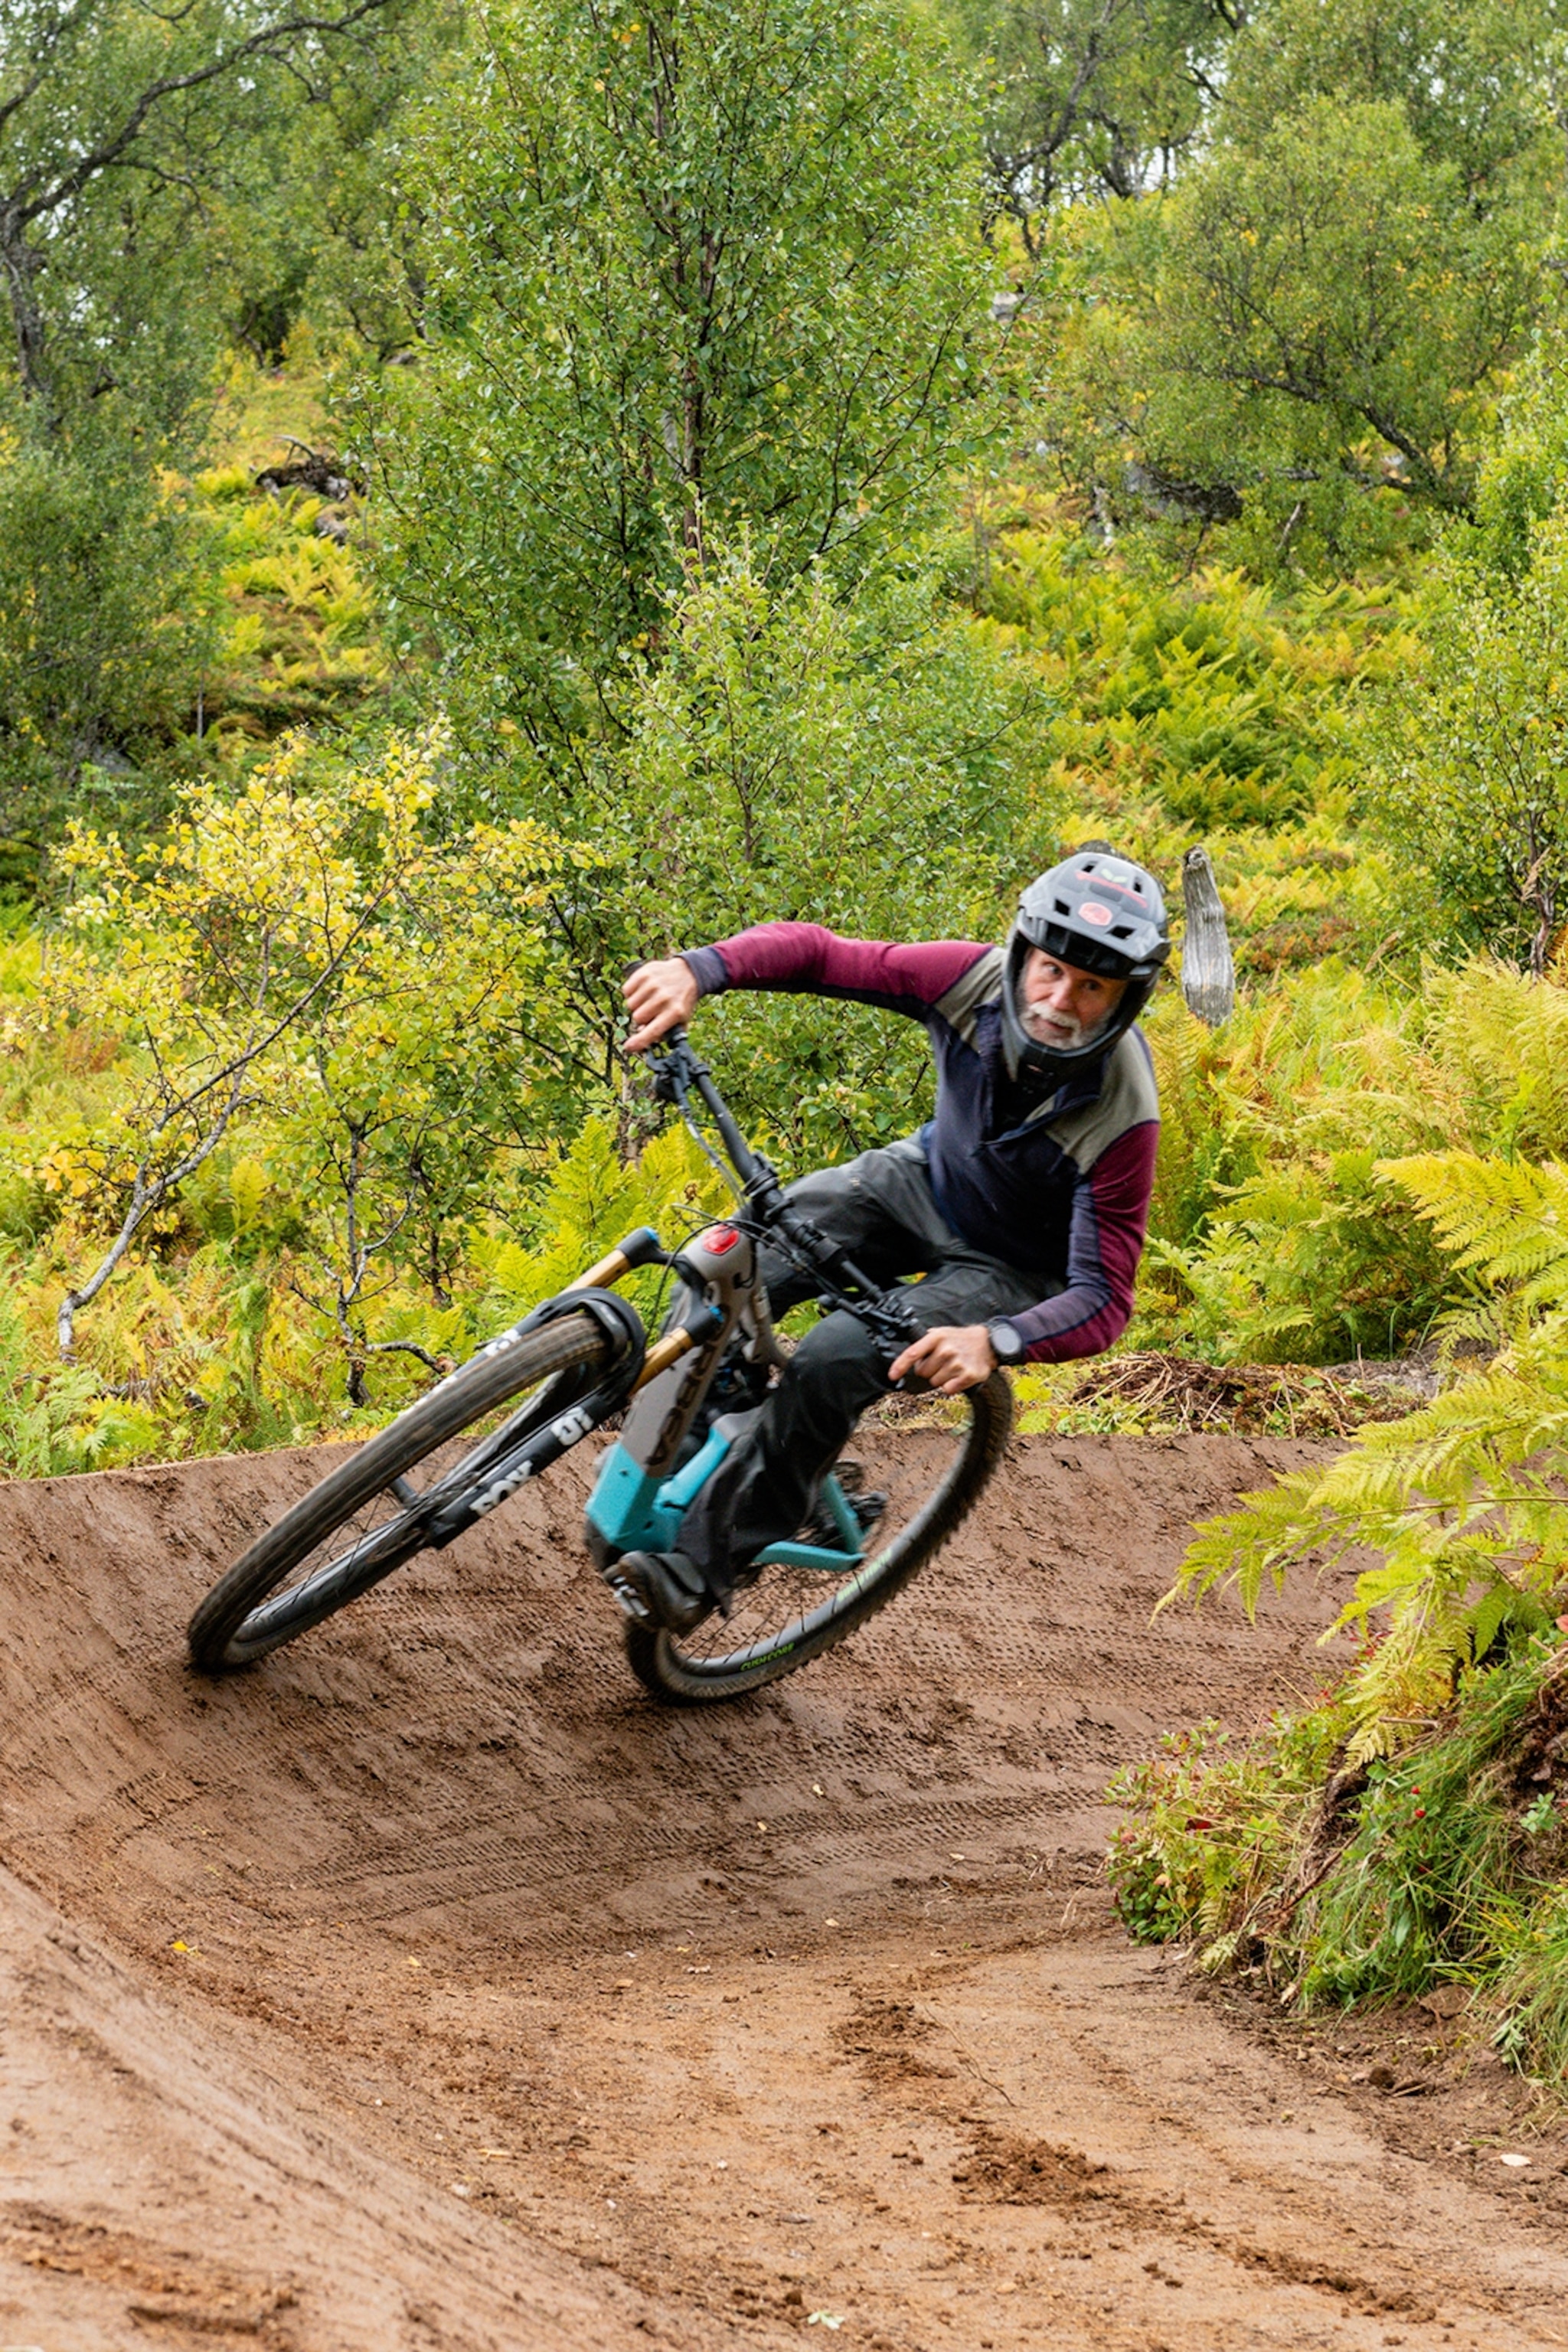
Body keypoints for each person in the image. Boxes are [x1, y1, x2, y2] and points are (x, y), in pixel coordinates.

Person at [613, 848, 1170, 1632]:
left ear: (1123, 999)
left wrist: (995, 1340)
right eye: (1049, 971)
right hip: (923, 1180)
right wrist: (698, 969)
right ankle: (722, 1434)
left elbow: (1105, 1299)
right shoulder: (966, 979)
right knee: (736, 1257)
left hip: (1008, 1271)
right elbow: (821, 955)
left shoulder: (1121, 1114)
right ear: (1021, 955)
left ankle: (702, 1566)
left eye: (1091, 986)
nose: (1058, 1000)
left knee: (833, 1358)